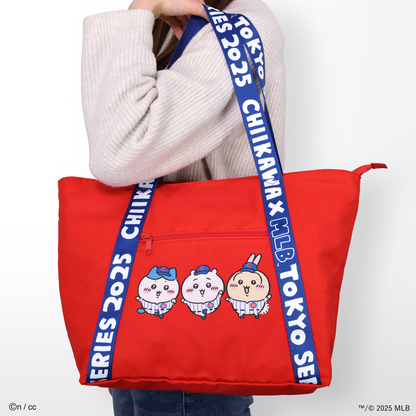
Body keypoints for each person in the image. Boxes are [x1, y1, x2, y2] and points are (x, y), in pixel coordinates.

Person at [81, 0, 286, 414]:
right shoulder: (186, 27)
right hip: (149, 308)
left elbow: (117, 153)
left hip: (191, 331)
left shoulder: (236, 31)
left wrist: (141, 10)